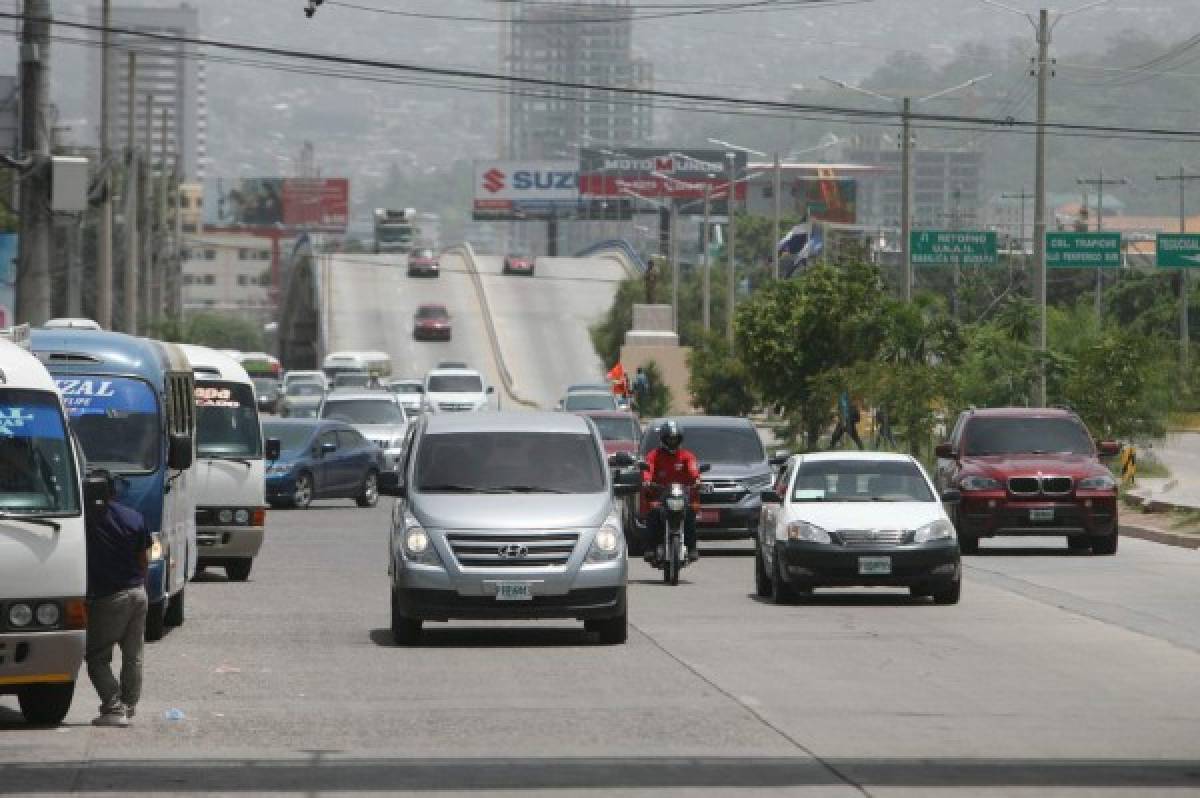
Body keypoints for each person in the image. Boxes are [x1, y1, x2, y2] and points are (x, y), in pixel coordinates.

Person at [83, 470, 152, 728]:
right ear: (113, 491)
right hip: (138, 593)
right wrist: (141, 585)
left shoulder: (88, 518)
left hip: (110, 597)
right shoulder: (134, 517)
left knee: (97, 657)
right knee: (133, 654)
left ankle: (113, 708)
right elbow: (144, 559)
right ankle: (129, 705)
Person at [641, 420, 701, 562]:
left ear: (680, 439)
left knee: (691, 513)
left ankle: (692, 547)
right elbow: (648, 468)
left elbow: (693, 470)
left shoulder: (687, 456)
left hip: (681, 496)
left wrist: (697, 480)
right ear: (663, 439)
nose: (672, 441)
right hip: (660, 496)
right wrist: (647, 480)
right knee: (653, 513)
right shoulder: (654, 455)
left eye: (675, 438)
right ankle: (650, 547)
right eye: (669, 438)